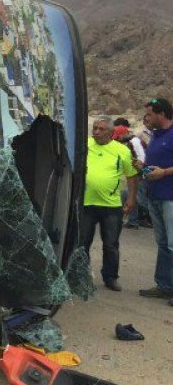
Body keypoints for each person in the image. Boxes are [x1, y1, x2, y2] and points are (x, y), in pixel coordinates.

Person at [82, 115, 139, 292]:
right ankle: (81, 276)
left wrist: (131, 199)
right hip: (86, 203)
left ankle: (110, 277)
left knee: (111, 244)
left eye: (101, 129)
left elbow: (131, 175)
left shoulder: (121, 151)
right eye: (95, 128)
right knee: (82, 243)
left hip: (111, 205)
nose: (97, 132)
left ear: (112, 133)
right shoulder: (84, 146)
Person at [138, 98, 173, 304]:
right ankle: (165, 286)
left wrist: (164, 173)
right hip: (156, 196)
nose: (147, 119)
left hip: (170, 197)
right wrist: (142, 166)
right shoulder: (156, 136)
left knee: (172, 244)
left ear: (161, 114)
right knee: (162, 243)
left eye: (150, 114)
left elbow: (164, 169)